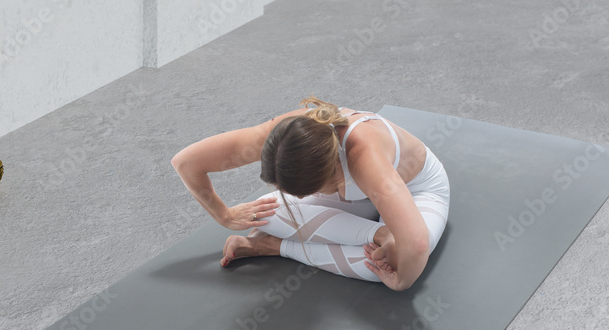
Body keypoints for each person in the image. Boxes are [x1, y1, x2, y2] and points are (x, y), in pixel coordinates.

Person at [171, 96, 450, 291]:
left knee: (389, 267)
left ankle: (274, 247)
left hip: (418, 191)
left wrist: (402, 282)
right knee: (261, 216)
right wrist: (225, 215)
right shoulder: (285, 137)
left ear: (331, 173)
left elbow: (416, 244)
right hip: (358, 194)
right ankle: (379, 233)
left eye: (308, 192)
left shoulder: (366, 159)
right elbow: (186, 162)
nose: (302, 199)